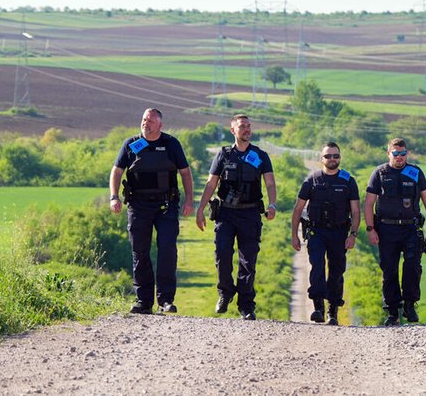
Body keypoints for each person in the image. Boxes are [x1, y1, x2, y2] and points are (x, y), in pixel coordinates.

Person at [109, 108, 195, 315]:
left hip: (166, 205)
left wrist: (190, 200)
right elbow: (117, 171)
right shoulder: (131, 144)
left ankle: (165, 300)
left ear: (160, 125)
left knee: (167, 250)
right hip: (138, 206)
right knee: (140, 252)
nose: (145, 123)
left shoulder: (171, 144)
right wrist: (114, 197)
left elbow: (185, 172)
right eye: (144, 119)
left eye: (150, 121)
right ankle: (143, 301)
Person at [196, 114, 277, 321]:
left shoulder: (260, 155)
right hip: (226, 213)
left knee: (248, 261)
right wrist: (200, 209)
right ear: (233, 130)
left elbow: (269, 183)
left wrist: (272, 204)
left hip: (250, 213)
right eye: (242, 126)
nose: (247, 129)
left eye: (249, 126)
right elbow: (211, 184)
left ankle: (246, 305)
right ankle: (225, 293)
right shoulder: (223, 155)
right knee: (222, 255)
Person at [364, 138, 426, 326]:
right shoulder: (380, 173)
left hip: (410, 227)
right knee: (389, 270)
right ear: (388, 153)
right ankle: (392, 312)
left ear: (407, 153)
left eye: (403, 153)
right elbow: (368, 203)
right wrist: (370, 228)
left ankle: (409, 304)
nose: (399, 157)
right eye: (396, 153)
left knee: (413, 266)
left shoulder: (415, 172)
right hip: (386, 229)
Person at [291, 142, 360, 326]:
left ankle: (333, 311)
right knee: (318, 267)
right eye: (328, 156)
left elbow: (355, 211)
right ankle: (318, 308)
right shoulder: (312, 180)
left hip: (339, 232)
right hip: (317, 231)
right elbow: (298, 209)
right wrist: (294, 235)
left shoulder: (348, 181)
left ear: (340, 157)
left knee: (337, 272)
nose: (332, 159)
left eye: (335, 156)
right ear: (321, 159)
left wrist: (353, 234)